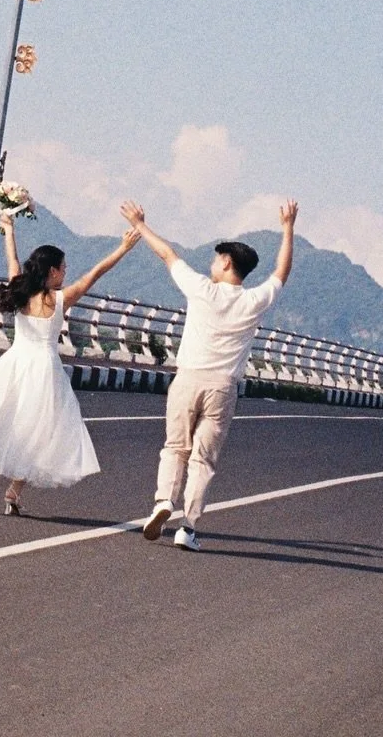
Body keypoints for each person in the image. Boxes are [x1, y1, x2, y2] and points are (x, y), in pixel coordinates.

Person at [120, 197, 298, 551]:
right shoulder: (254, 300)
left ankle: (163, 502)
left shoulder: (201, 289)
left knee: (175, 448)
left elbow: (167, 254)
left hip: (188, 379)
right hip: (222, 386)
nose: (212, 263)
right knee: (203, 459)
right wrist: (288, 228)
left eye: (217, 259)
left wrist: (140, 225)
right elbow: (281, 272)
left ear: (226, 262)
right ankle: (188, 527)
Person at [0, 212, 142, 514]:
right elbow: (96, 273)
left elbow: (11, 259)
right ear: (52, 271)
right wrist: (123, 248)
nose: (66, 272)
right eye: (63, 268)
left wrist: (9, 228)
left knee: (6, 418)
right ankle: (12, 493)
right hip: (45, 370)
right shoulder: (61, 299)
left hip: (15, 362)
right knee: (37, 434)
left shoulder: (20, 290)